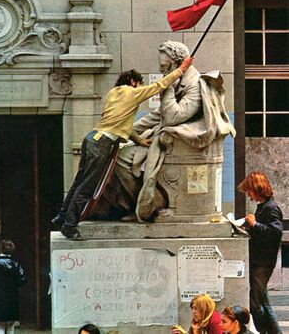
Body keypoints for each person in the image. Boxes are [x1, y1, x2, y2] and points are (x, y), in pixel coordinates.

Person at [88, 40, 235, 223]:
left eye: (165, 67)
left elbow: (174, 116)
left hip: (182, 146)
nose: (162, 71)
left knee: (122, 159)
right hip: (165, 142)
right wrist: (125, 131)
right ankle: (129, 204)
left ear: (176, 64)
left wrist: (167, 90)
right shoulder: (180, 83)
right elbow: (157, 116)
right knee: (119, 154)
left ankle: (149, 205)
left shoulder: (195, 85)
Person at [52, 56, 194, 239]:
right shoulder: (131, 92)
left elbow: (120, 121)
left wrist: (139, 140)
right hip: (103, 143)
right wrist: (182, 69)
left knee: (79, 182)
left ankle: (61, 217)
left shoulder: (113, 93)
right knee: (88, 186)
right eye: (139, 84)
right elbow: (158, 86)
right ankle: (69, 225)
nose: (140, 88)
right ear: (134, 82)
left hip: (92, 138)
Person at [238, 171, 283, 334]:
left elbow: (274, 233)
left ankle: (264, 331)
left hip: (263, 263)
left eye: (249, 191)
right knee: (263, 300)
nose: (249, 196)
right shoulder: (264, 207)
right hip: (259, 260)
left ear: (257, 189)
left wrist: (255, 224)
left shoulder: (271, 208)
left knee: (255, 303)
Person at [0, 240, 27, 334]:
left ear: (0, 249)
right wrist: (12, 286)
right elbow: (23, 280)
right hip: (12, 299)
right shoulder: (16, 264)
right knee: (10, 326)